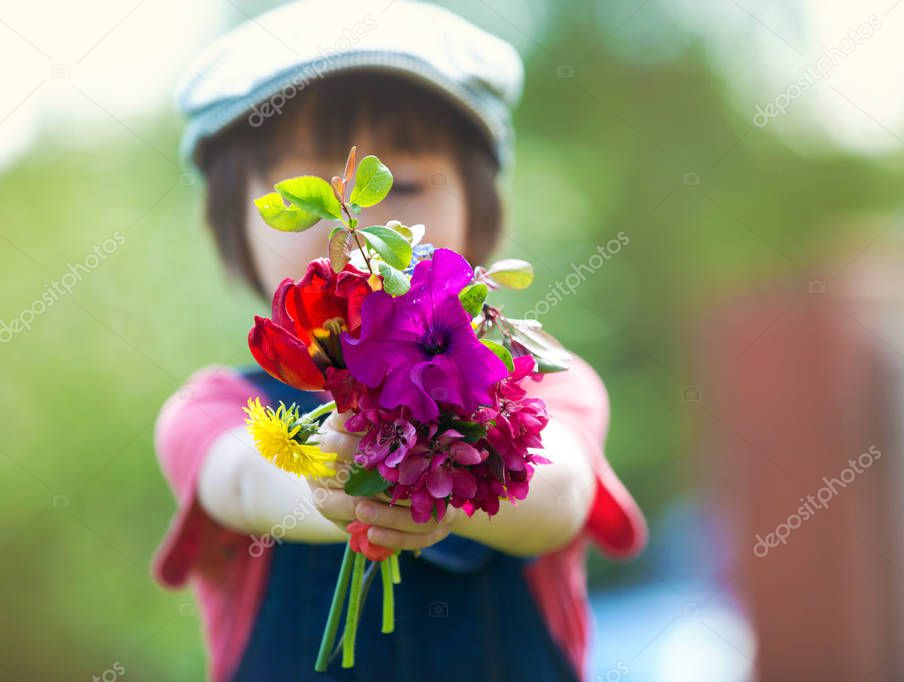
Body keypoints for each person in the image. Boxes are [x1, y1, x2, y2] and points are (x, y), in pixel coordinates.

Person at [153, 2, 647, 680]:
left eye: (405, 185)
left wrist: (453, 491)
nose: (361, 229)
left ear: (478, 220)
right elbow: (239, 477)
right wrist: (330, 475)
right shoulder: (214, 407)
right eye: (314, 198)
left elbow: (558, 492)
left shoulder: (535, 379)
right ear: (235, 227)